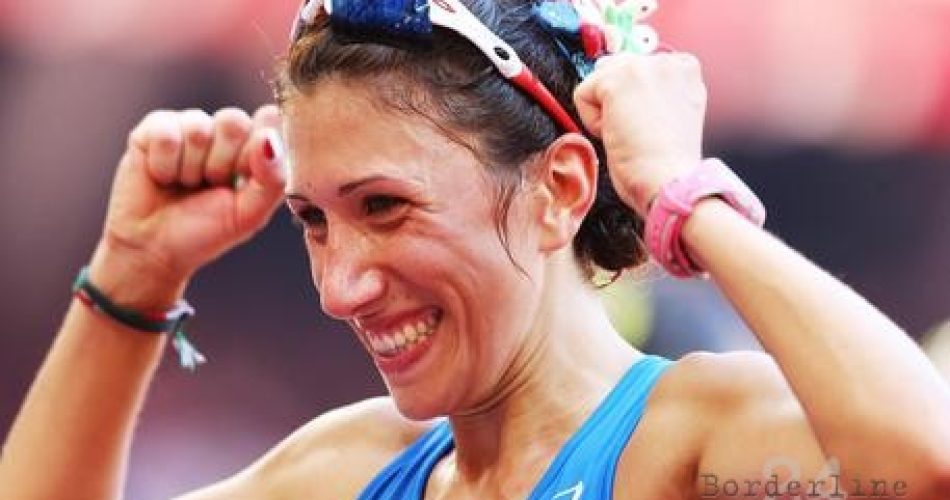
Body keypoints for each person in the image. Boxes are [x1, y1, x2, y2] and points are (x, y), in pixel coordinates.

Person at [2, 0, 950, 498]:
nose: (339, 287)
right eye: (314, 221)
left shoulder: (689, 441)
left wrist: (679, 195)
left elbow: (923, 465)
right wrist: (132, 278)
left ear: (562, 189)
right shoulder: (351, 470)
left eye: (386, 206)